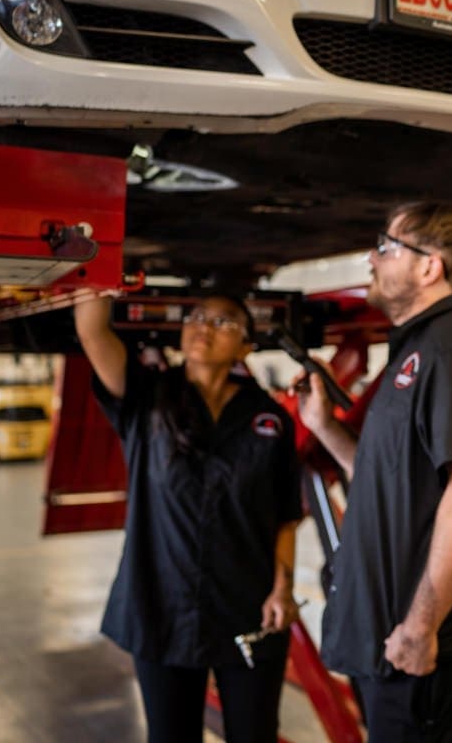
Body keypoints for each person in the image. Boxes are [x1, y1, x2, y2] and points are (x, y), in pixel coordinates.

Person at [299, 201, 452, 742]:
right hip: (395, 647)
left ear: (429, 267)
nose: (372, 261)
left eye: (385, 247)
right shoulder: (420, 352)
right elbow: (390, 479)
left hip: (427, 651)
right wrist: (325, 427)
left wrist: (420, 628)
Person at [74, 291, 302, 743]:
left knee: (255, 734)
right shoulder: (145, 397)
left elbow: (285, 514)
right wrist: (95, 262)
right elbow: (92, 331)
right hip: (161, 604)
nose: (204, 327)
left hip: (249, 605)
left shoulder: (268, 418)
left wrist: (283, 586)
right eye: (196, 317)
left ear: (245, 347)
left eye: (223, 322)